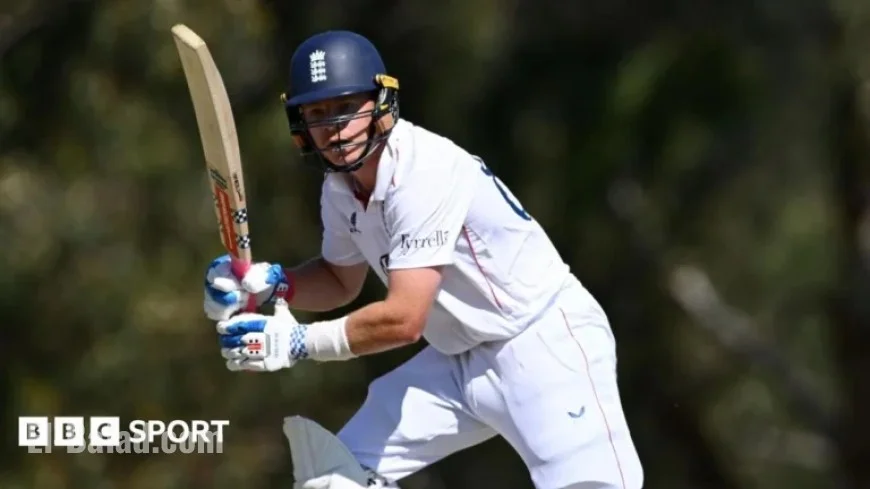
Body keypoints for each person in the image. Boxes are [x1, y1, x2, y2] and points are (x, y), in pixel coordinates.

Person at [203, 30, 644, 489]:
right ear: (300, 125)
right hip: (456, 360)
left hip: (543, 345)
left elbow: (405, 319)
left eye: (346, 106)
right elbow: (339, 280)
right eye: (317, 112)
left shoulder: (423, 171)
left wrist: (298, 342)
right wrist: (276, 284)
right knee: (334, 479)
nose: (333, 126)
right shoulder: (339, 190)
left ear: (381, 104)